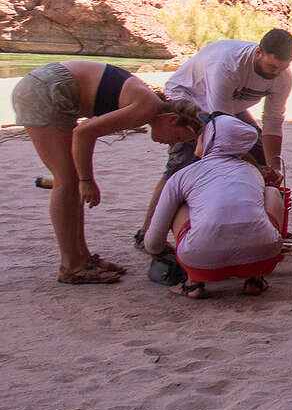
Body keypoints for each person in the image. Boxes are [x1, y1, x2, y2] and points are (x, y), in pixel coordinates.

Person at [12, 60, 206, 283]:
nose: (172, 144)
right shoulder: (147, 108)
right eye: (179, 137)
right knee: (66, 180)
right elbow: (84, 133)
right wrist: (86, 180)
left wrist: (83, 178)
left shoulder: (146, 104)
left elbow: (90, 130)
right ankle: (72, 267)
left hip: (49, 85)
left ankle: (81, 258)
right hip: (46, 89)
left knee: (70, 179)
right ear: (172, 119)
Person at [137, 29, 292, 239]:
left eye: (282, 68)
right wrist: (258, 167)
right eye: (272, 66)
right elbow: (223, 133)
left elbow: (273, 122)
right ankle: (146, 233)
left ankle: (262, 227)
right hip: (189, 96)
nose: (276, 73)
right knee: (183, 162)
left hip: (229, 106)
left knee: (258, 155)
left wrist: (272, 167)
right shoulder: (227, 66)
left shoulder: (282, 77)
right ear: (258, 53)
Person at [142, 115, 286, 299]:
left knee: (182, 202)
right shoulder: (253, 172)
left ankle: (193, 283)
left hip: (199, 262)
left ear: (211, 138)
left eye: (202, 134)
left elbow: (153, 242)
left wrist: (157, 251)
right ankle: (254, 279)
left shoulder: (183, 175)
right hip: (263, 257)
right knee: (271, 193)